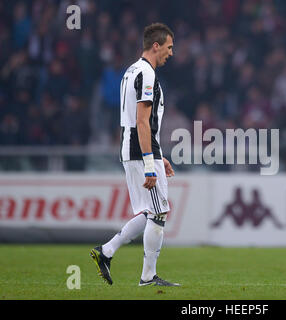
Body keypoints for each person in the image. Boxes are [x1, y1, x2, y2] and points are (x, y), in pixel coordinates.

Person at [90, 23, 179, 287]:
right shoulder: (147, 74)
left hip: (136, 148)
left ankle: (106, 252)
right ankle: (148, 277)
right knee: (159, 212)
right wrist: (150, 164)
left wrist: (157, 157)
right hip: (140, 151)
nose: (171, 53)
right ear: (156, 45)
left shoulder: (131, 70)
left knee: (149, 211)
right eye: (169, 47)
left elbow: (137, 120)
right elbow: (142, 121)